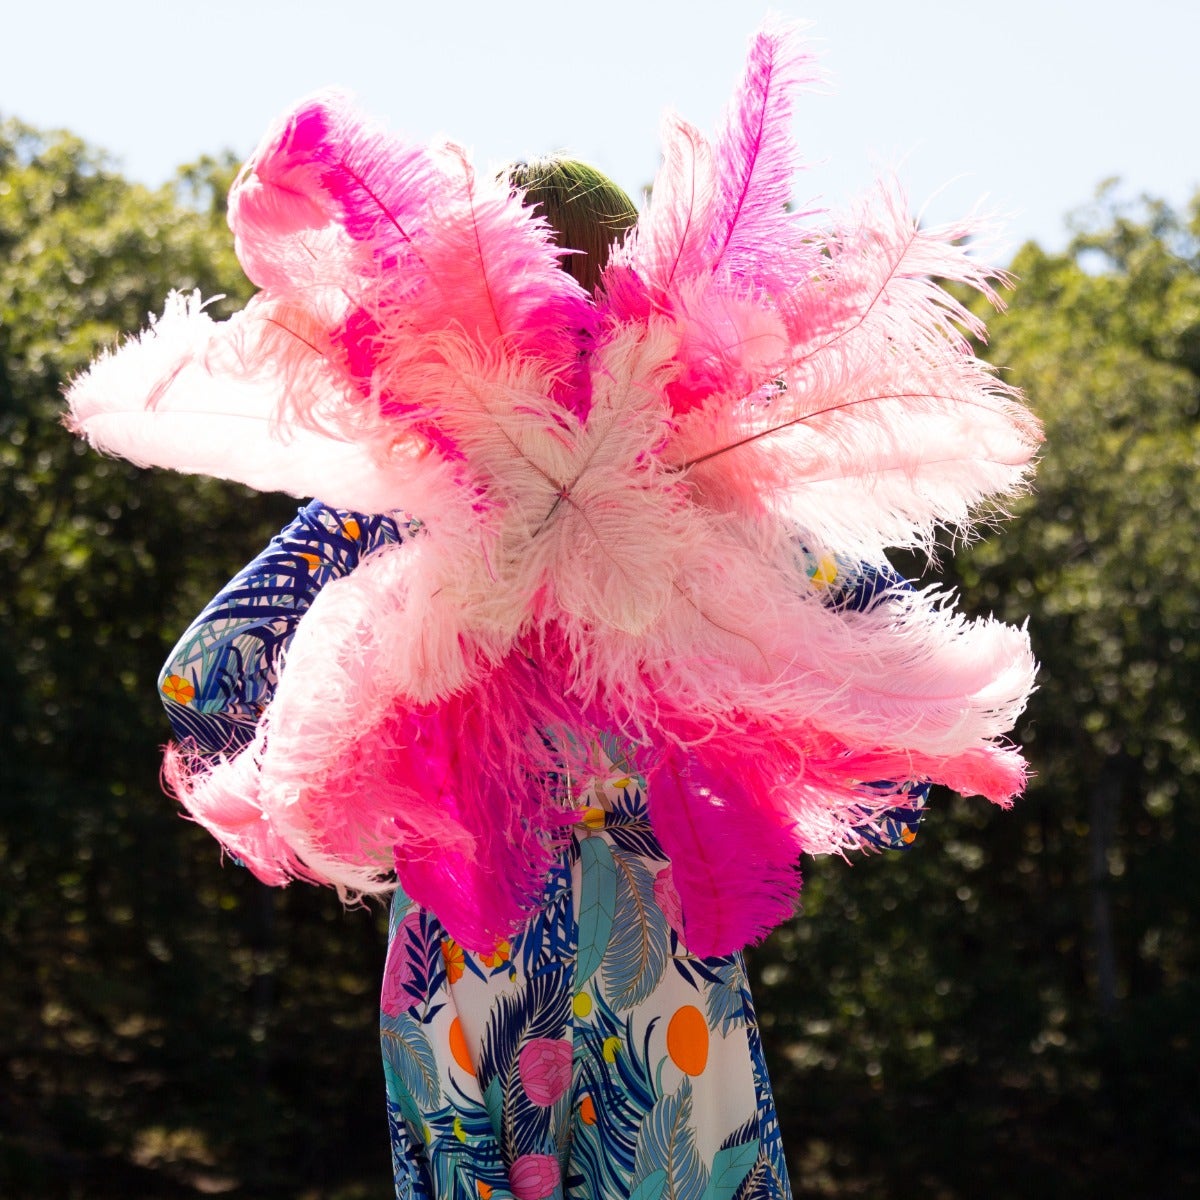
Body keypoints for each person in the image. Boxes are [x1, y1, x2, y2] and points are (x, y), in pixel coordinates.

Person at [67, 21, 1038, 1200]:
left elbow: (205, 677)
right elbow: (903, 696)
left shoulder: (404, 486)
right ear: (638, 283)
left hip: (465, 937)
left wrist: (360, 787)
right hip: (658, 934)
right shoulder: (706, 482)